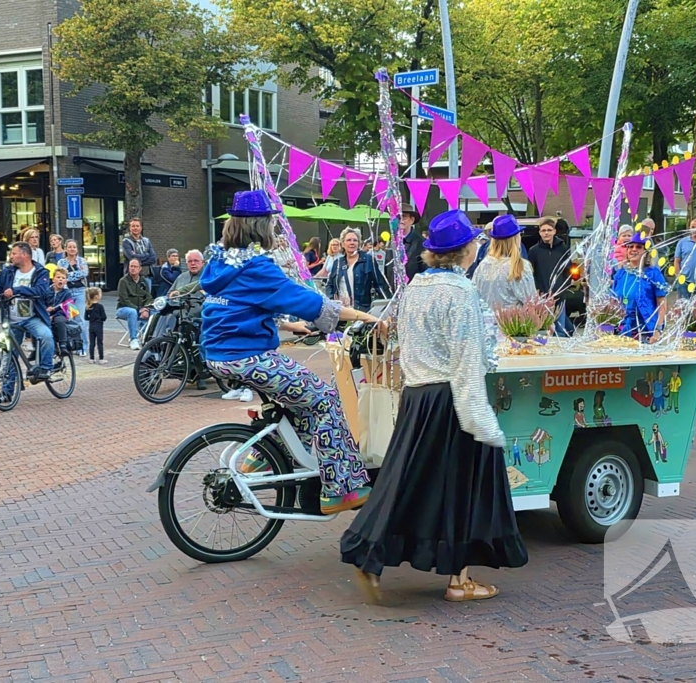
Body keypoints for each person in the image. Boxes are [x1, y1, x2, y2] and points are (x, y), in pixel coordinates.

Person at [340, 209, 527, 602]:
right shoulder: (460, 292)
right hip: (450, 396)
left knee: (405, 479)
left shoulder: (415, 288)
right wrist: (480, 418)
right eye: (473, 243)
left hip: (417, 395)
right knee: (460, 487)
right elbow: (467, 358)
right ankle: (459, 581)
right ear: (464, 251)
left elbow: (403, 341)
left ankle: (369, 552)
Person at [200, 189, 380, 514]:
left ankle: (261, 458)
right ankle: (342, 489)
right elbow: (311, 302)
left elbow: (238, 308)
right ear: (263, 226)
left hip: (218, 353)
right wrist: (369, 317)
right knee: (326, 402)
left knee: (298, 401)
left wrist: (288, 326)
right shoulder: (257, 267)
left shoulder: (221, 261)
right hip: (249, 356)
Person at [0, 242, 54, 381]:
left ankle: (46, 368)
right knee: (10, 356)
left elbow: (40, 291)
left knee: (46, 336)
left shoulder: (40, 272)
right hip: (12, 319)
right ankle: (7, 393)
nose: (11, 256)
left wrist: (17, 290)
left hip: (32, 317)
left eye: (14, 253)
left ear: (24, 255)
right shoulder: (8, 271)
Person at [472, 214, 537, 311]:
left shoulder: (483, 265)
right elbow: (532, 303)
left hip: (486, 323)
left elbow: (474, 297)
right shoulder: (519, 266)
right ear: (515, 238)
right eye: (520, 234)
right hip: (513, 324)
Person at [611, 231, 668, 341]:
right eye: (630, 247)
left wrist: (658, 330)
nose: (633, 249)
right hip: (620, 329)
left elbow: (662, 303)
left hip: (644, 331)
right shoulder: (621, 273)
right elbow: (613, 302)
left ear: (646, 251)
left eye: (638, 247)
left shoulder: (653, 273)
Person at [528, 217, 574, 336]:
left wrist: (564, 287)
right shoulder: (534, 251)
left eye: (549, 230)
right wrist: (537, 291)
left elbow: (568, 270)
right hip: (542, 296)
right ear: (539, 233)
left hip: (559, 296)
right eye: (543, 230)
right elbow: (531, 273)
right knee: (542, 329)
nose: (546, 233)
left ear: (554, 231)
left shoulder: (563, 249)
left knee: (560, 329)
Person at [325, 227, 389, 312]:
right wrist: (331, 301)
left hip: (361, 311)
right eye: (348, 240)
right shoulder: (338, 262)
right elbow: (329, 285)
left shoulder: (368, 260)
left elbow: (380, 285)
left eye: (355, 240)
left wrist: (387, 306)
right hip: (340, 312)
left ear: (359, 243)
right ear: (343, 244)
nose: (352, 243)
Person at [58, 239, 89, 356]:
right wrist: (73, 275)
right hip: (67, 293)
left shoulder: (82, 261)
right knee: (69, 319)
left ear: (77, 249)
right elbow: (61, 276)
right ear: (66, 249)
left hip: (80, 292)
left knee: (80, 319)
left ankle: (83, 347)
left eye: (74, 247)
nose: (72, 249)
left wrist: (69, 275)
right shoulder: (61, 262)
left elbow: (84, 273)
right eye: (69, 247)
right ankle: (72, 346)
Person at [117, 258, 155, 350]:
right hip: (123, 309)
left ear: (140, 268)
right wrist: (140, 309)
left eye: (135, 266)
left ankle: (150, 338)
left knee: (156, 313)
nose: (132, 268)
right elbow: (124, 300)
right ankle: (133, 339)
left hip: (141, 309)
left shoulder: (143, 281)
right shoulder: (123, 281)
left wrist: (146, 309)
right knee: (132, 312)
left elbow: (148, 297)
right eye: (131, 266)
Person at [674, 216, 696, 299]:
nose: (695, 229)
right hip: (684, 282)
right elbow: (677, 261)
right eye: (693, 227)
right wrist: (678, 277)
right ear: (689, 229)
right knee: (683, 306)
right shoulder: (682, 242)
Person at [122, 217, 158, 291]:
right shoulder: (126, 241)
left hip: (146, 277)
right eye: (133, 226)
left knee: (147, 300)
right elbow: (131, 257)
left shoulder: (146, 241)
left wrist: (137, 260)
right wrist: (147, 255)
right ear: (130, 228)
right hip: (132, 278)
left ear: (141, 228)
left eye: (137, 226)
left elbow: (153, 258)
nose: (135, 228)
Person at [45, 268, 74, 350]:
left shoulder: (67, 293)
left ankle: (63, 344)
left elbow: (70, 309)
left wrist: (54, 316)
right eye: (58, 277)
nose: (60, 279)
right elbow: (41, 303)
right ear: (53, 279)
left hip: (61, 314)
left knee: (60, 320)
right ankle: (44, 346)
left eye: (63, 278)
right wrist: (46, 310)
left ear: (66, 281)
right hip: (46, 314)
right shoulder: (46, 291)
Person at [400, 204, 427, 280]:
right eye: (397, 217)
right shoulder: (392, 242)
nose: (400, 220)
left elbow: (425, 273)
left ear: (411, 220)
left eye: (404, 216)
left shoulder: (421, 243)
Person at [85, 287, 107, 364]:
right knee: (100, 342)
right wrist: (100, 319)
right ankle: (101, 359)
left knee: (92, 343)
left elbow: (85, 317)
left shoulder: (88, 306)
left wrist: (92, 318)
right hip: (99, 326)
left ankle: (91, 358)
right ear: (96, 296)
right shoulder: (100, 306)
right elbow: (104, 317)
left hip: (91, 326)